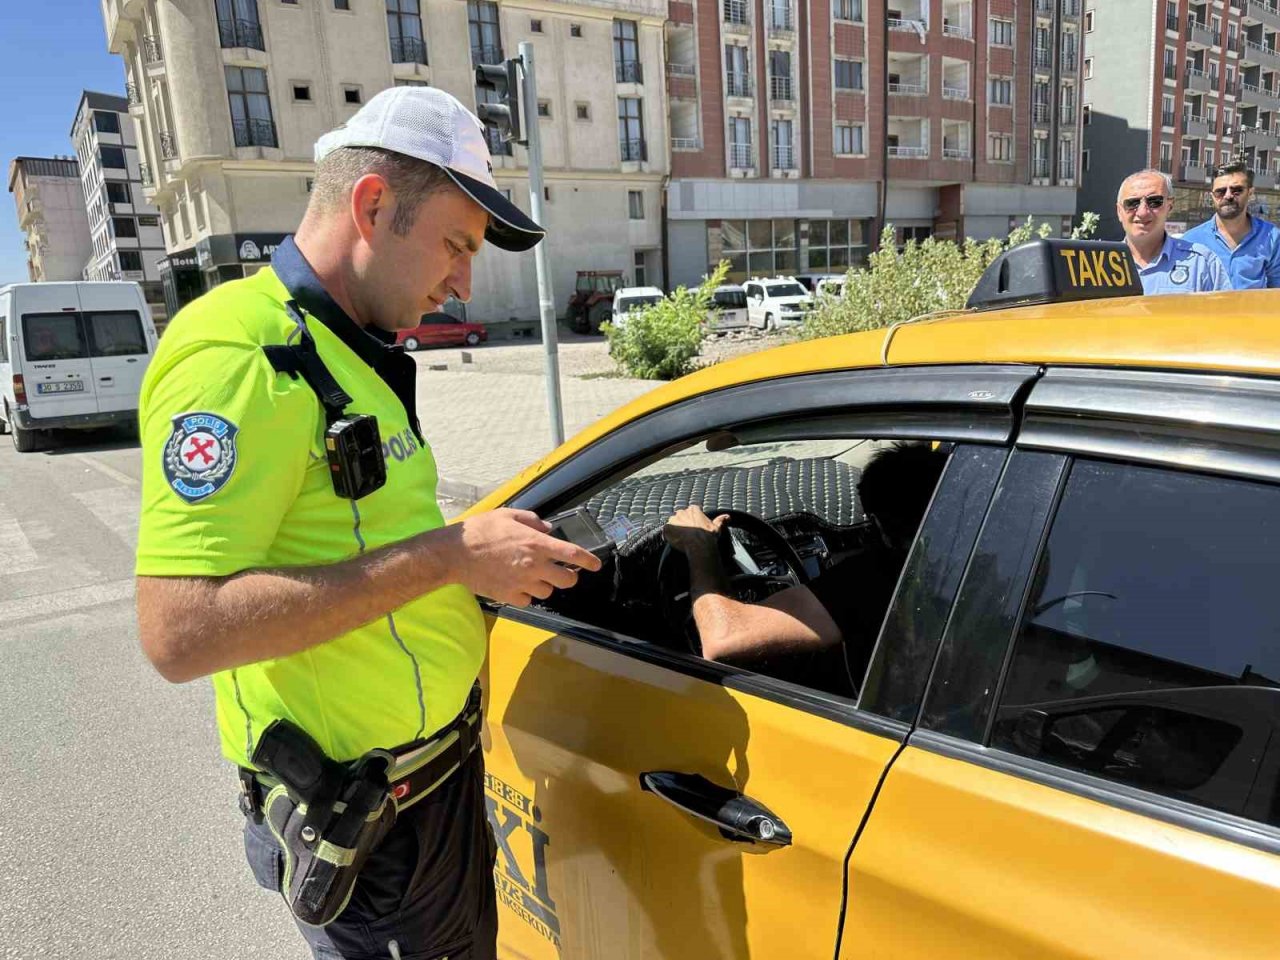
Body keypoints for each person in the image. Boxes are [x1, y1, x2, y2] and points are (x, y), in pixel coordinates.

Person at [133, 87, 601, 960]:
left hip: (433, 792)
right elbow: (179, 631)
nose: (465, 278)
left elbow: (362, 532)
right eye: (457, 245)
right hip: (368, 834)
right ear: (373, 205)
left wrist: (470, 552)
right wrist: (449, 557)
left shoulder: (349, 342)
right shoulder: (239, 356)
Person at [661, 442, 947, 685]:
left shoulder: (873, 578)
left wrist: (700, 547)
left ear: (876, 522)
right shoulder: (972, 563)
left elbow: (722, 640)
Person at [1115, 168, 1230, 295]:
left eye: (1154, 202)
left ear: (1170, 206)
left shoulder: (1201, 264)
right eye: (1132, 203)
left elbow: (1228, 313)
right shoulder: (1099, 266)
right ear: (1119, 211)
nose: (1142, 212)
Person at [1181, 162, 1280, 288]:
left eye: (1237, 190)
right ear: (1212, 196)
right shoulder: (1191, 241)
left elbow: (1277, 293)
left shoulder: (1271, 237)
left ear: (1250, 193)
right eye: (1220, 191)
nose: (1228, 196)